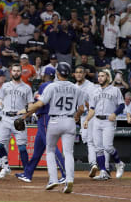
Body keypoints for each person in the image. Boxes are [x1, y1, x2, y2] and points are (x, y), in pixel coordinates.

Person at [22, 62, 83, 194]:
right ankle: (69, 179)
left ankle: (53, 179)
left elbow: (40, 103)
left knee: (50, 150)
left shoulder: (52, 86)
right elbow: (82, 108)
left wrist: (25, 110)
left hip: (55, 120)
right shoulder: (76, 88)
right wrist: (77, 116)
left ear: (58, 73)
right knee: (68, 153)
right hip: (69, 120)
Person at [15, 67, 66, 183]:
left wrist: (24, 115)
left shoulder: (45, 86)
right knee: (37, 150)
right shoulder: (57, 86)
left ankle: (65, 173)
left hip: (45, 118)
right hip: (52, 117)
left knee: (52, 147)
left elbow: (37, 104)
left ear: (45, 75)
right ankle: (28, 174)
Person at [0, 63, 33, 179]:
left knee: (22, 147)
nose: (16, 73)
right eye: (14, 71)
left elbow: (30, 105)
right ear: (11, 72)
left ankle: (26, 172)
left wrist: (26, 115)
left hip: (18, 118)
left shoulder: (27, 88)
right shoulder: (5, 86)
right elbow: (0, 100)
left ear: (21, 72)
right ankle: (5, 166)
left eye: (18, 71)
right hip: (5, 117)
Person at [83, 69, 126, 180]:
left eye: (102, 76)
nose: (100, 78)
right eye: (99, 76)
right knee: (98, 148)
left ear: (108, 77)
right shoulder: (95, 91)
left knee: (108, 146)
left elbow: (121, 105)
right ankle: (103, 172)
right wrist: (87, 120)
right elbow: (92, 109)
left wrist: (114, 113)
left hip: (108, 120)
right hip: (97, 120)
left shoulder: (115, 90)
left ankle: (119, 163)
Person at [74, 66, 99, 177]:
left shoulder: (90, 86)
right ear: (74, 74)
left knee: (90, 141)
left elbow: (94, 104)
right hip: (81, 116)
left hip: (91, 116)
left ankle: (95, 164)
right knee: (87, 140)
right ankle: (97, 164)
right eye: (77, 72)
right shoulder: (73, 87)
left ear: (85, 74)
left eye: (81, 72)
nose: (79, 74)